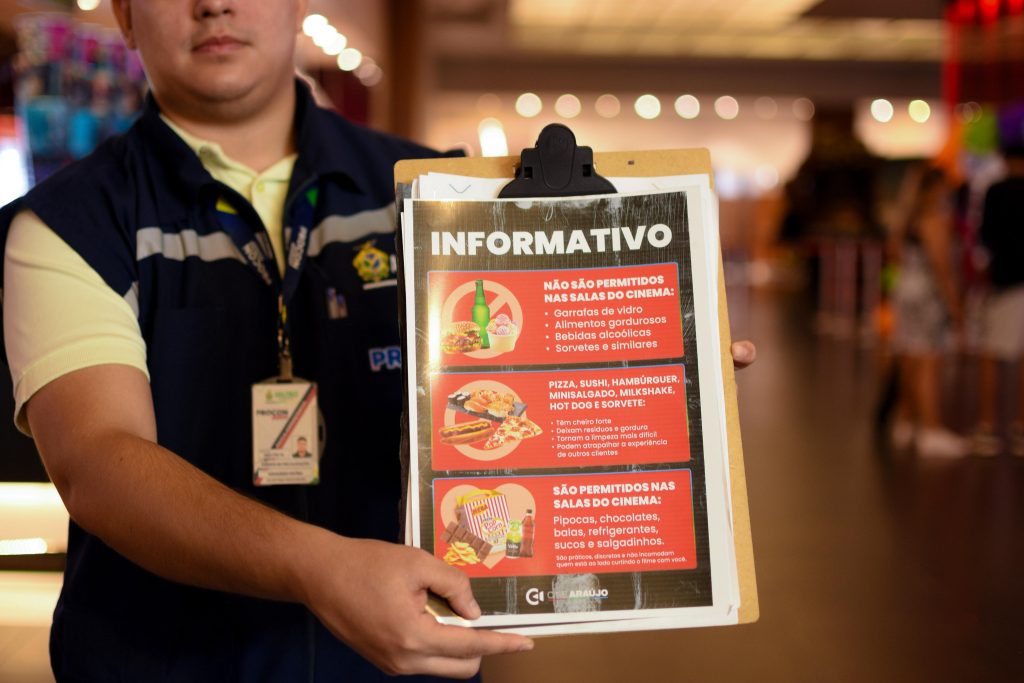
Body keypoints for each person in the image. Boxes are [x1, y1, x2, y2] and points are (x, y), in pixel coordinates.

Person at [0, 1, 756, 680]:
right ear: (125, 15)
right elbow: (98, 458)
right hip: (159, 661)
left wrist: (645, 367)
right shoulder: (68, 222)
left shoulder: (437, 196)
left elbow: (517, 397)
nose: (215, 4)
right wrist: (315, 567)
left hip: (402, 662)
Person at [889, 166, 967, 457]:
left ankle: (905, 420)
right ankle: (930, 429)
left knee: (910, 356)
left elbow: (895, 253)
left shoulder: (906, 219)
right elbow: (941, 267)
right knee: (929, 360)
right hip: (926, 295)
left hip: (905, 289)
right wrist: (955, 305)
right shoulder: (934, 220)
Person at [971, 143, 1024, 457]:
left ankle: (988, 425)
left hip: (1005, 281)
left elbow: (985, 236)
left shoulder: (997, 192)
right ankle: (1020, 427)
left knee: (992, 354)